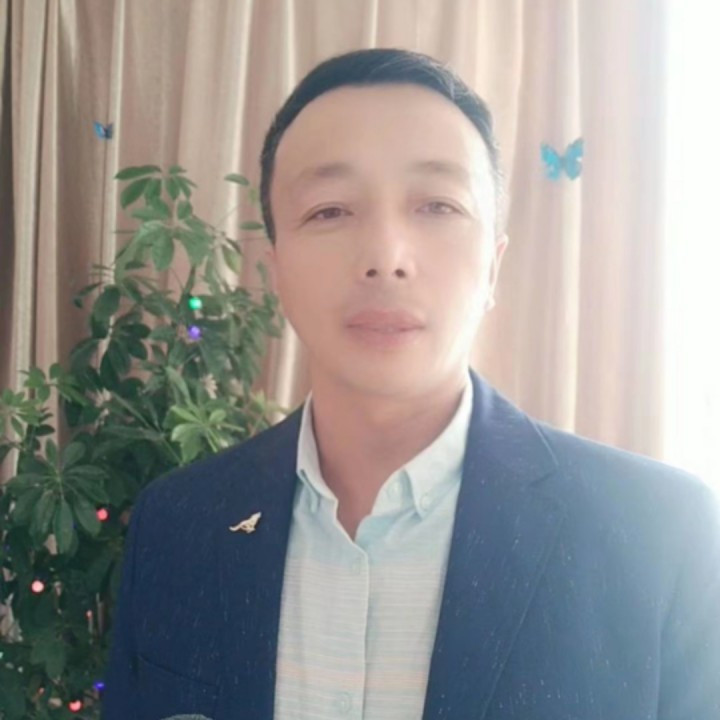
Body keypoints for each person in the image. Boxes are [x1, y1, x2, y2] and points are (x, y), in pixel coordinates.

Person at [101, 48, 720, 720]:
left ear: (493, 265)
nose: (385, 257)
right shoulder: (178, 524)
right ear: (275, 269)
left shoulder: (660, 535)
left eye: (437, 205)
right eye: (329, 211)